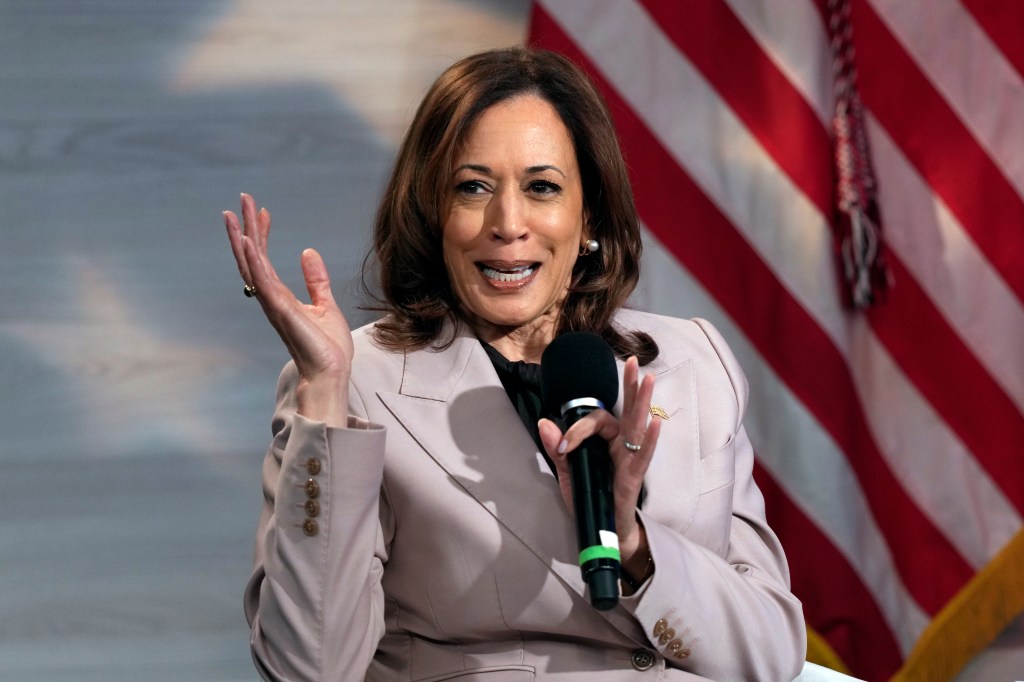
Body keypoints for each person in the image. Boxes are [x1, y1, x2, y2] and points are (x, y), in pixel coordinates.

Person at [224, 47, 805, 681]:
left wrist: (634, 545)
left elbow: (772, 654)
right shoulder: (356, 381)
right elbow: (307, 668)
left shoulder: (696, 364)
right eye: (472, 187)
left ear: (589, 217)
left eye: (542, 187)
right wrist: (324, 391)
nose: (507, 223)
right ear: (433, 213)